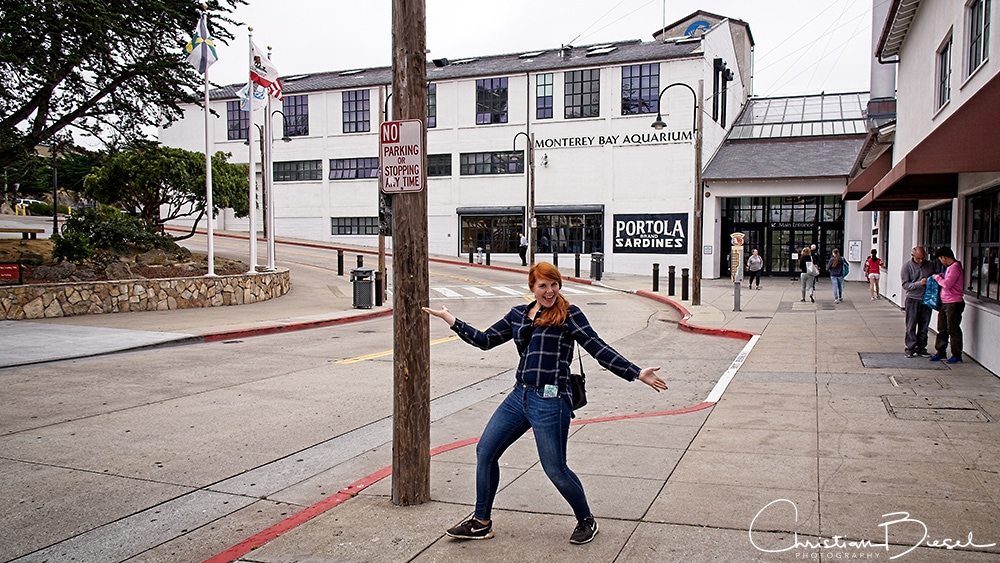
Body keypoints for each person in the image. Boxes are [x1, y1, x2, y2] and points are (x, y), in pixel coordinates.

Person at [423, 262, 667, 545]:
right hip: (520, 396)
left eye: (553, 284)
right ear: (532, 288)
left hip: (551, 401)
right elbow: (486, 340)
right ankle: (481, 521)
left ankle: (586, 519)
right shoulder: (518, 315)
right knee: (486, 451)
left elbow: (598, 347)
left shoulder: (570, 315)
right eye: (543, 286)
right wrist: (453, 321)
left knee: (555, 468)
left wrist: (636, 372)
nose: (550, 291)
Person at [930, 247, 965, 363]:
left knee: (953, 329)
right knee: (942, 328)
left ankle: (956, 354)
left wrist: (937, 277)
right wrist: (941, 275)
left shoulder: (955, 267)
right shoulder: (948, 268)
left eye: (940, 259)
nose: (941, 261)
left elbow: (947, 284)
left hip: (953, 303)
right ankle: (940, 351)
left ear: (944, 257)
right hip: (945, 303)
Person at [901, 246, 934, 358]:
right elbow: (905, 285)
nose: (921, 260)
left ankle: (921, 348)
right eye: (919, 258)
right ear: (913, 256)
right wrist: (919, 283)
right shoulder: (907, 267)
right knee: (911, 325)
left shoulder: (929, 265)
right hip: (913, 299)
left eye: (923, 258)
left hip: (926, 299)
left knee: (924, 325)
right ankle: (910, 348)